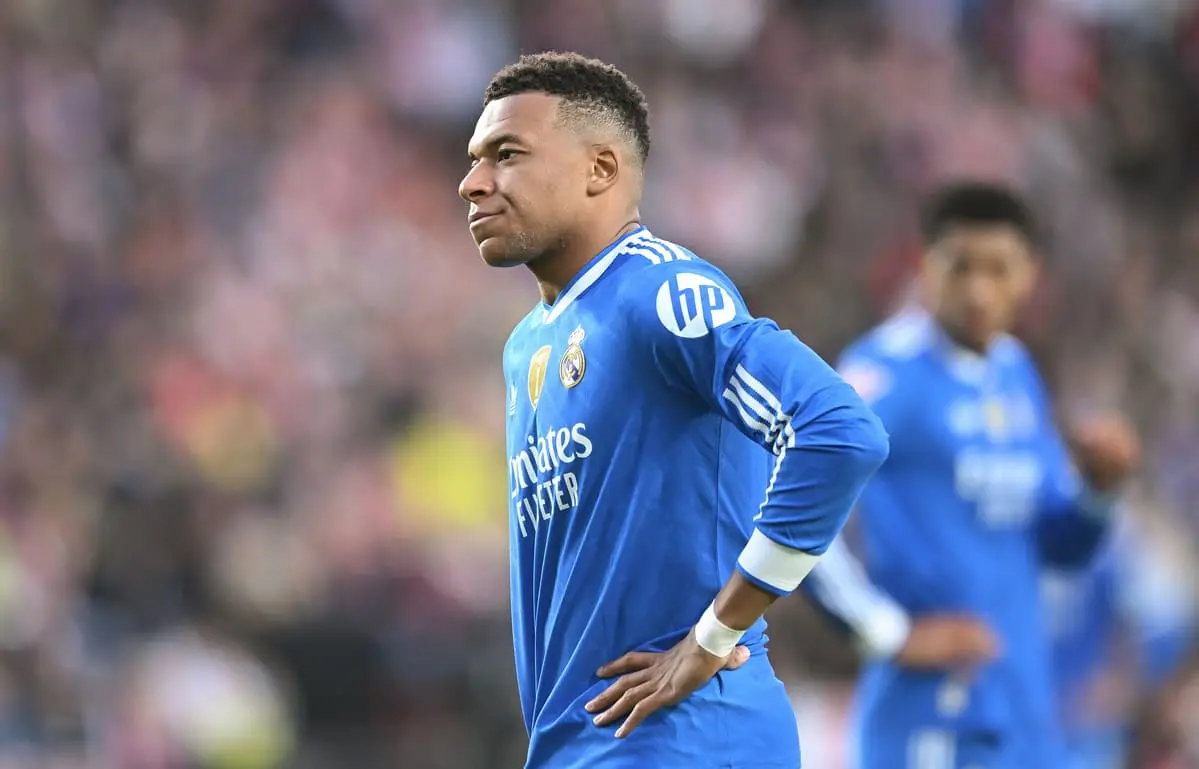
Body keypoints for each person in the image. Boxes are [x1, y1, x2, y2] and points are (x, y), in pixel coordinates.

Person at [457, 51, 890, 769]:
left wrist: (715, 634)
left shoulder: (659, 290)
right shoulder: (528, 343)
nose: (472, 183)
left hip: (685, 736)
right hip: (588, 740)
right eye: (474, 159)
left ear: (599, 170)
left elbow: (838, 433)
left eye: (506, 155)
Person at [801, 181, 1142, 769]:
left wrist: (1099, 494)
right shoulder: (885, 372)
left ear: (1029, 276)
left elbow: (1057, 546)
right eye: (960, 267)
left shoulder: (1015, 373)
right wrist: (884, 632)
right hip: (929, 713)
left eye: (998, 269)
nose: (978, 290)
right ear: (926, 267)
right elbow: (791, 501)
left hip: (1021, 707)